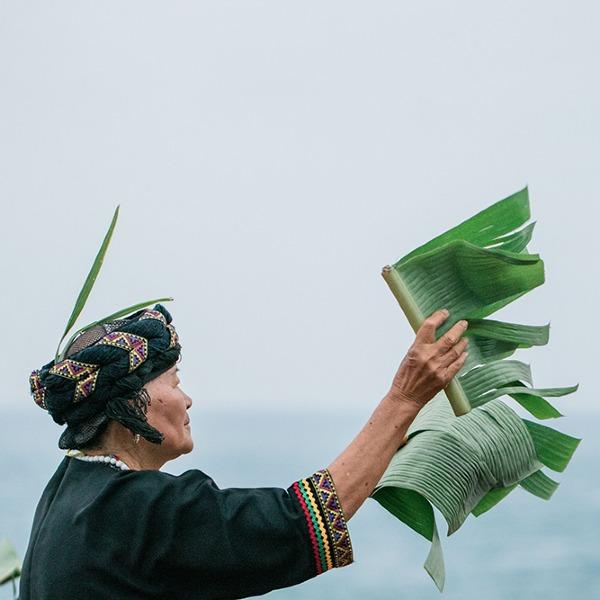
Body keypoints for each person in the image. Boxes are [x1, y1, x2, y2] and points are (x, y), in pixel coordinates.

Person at [19, 303, 468, 599]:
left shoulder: (68, 494)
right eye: (175, 381)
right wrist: (404, 399)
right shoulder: (138, 509)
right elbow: (302, 524)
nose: (187, 398)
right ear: (131, 401)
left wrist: (388, 439)